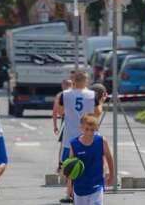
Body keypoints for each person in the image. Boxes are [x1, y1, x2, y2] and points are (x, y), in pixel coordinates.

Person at [54, 72, 101, 203]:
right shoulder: (92, 95)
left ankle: (70, 193)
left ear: (74, 80)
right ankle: (87, 192)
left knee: (70, 167)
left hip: (70, 136)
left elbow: (60, 112)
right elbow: (98, 112)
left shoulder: (65, 94)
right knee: (89, 165)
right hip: (88, 135)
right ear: (85, 81)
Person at [67, 114, 116, 205]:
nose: (89, 132)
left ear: (96, 128)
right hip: (80, 186)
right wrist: (69, 186)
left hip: (96, 185)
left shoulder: (101, 141)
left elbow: (109, 158)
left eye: (92, 130)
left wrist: (112, 175)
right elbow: (70, 168)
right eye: (87, 129)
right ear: (81, 128)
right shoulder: (74, 144)